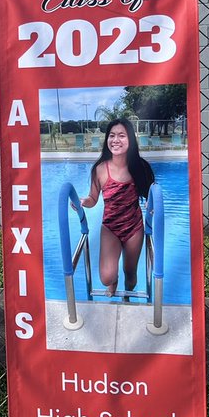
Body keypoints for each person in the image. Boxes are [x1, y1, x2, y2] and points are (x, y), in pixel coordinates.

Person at [81, 118, 155, 297]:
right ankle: (113, 281)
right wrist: (83, 202)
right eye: (112, 135)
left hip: (134, 227)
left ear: (130, 139)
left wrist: (151, 204)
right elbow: (93, 198)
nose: (116, 140)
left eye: (121, 135)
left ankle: (127, 296)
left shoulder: (140, 167)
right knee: (106, 277)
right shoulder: (100, 169)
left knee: (130, 274)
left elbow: (151, 194)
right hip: (110, 227)